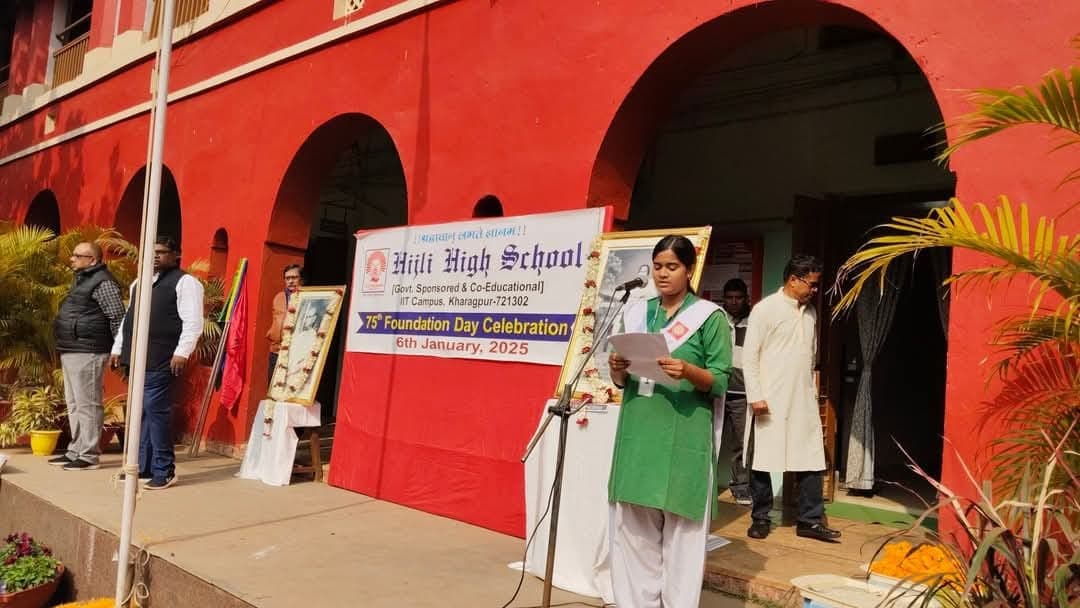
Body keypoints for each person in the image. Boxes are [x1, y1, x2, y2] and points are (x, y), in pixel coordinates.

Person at [607, 235, 732, 608]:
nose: (663, 274)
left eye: (672, 267)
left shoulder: (709, 317)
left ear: (689, 270)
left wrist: (688, 371)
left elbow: (720, 380)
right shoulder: (636, 312)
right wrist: (617, 368)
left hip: (683, 436)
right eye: (658, 266)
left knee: (682, 540)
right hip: (639, 433)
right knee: (634, 535)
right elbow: (621, 381)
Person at [742, 254, 840, 542]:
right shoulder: (765, 310)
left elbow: (810, 357)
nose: (815, 290)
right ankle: (760, 518)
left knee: (810, 457)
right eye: (811, 284)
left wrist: (812, 391)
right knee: (763, 459)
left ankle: (809, 521)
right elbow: (749, 357)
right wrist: (756, 396)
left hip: (802, 399)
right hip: (769, 399)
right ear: (793, 280)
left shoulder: (810, 313)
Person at [111, 236, 204, 490]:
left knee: (156, 410)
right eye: (151, 252)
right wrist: (118, 348)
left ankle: (165, 469)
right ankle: (144, 466)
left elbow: (193, 322)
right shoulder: (139, 283)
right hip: (137, 357)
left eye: (161, 252)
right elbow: (128, 319)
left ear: (176, 255)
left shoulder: (185, 282)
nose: (155, 256)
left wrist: (182, 352)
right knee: (140, 412)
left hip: (163, 357)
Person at [50, 242, 125, 471]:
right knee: (74, 404)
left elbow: (117, 316)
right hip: (72, 348)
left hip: (89, 349)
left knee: (88, 404)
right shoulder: (82, 279)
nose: (72, 259)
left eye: (77, 255)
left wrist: (119, 348)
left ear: (92, 260)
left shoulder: (103, 282)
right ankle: (76, 450)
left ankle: (89, 455)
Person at [719, 278, 752, 505]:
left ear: (746, 298)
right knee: (709, 439)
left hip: (742, 392)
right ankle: (704, 485)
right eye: (729, 298)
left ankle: (741, 487)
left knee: (743, 443)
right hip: (716, 390)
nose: (733, 302)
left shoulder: (754, 321)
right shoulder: (717, 319)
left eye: (738, 298)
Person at [266, 264, 303, 382]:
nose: (290, 281)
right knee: (272, 386)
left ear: (301, 279)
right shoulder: (279, 297)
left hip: (296, 352)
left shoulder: (306, 297)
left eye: (294, 277)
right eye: (287, 278)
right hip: (276, 350)